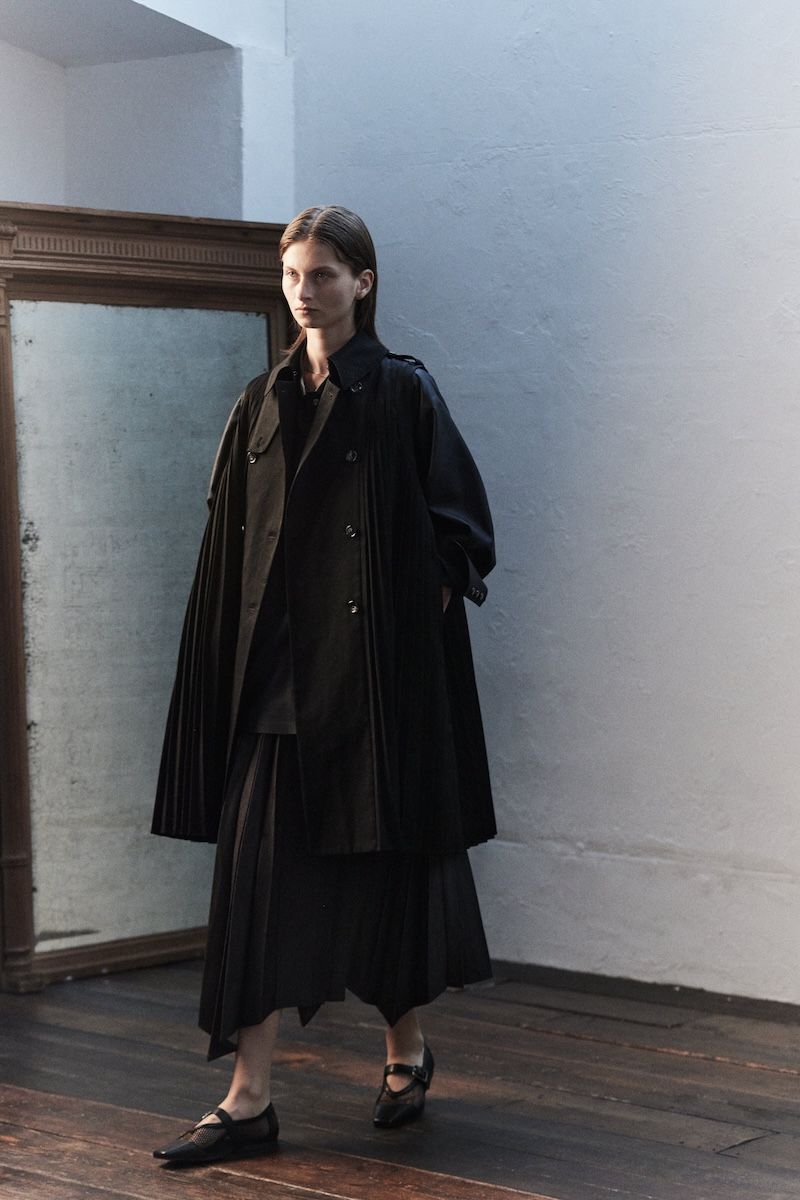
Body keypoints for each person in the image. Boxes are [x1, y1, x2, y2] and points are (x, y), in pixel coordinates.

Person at [151, 205, 496, 1166]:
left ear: (363, 283)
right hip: (276, 684)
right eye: (294, 274)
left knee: (387, 874)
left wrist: (409, 613)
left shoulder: (402, 391)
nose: (306, 292)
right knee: (255, 885)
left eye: (325, 275)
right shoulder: (260, 400)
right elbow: (230, 535)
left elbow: (464, 529)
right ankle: (248, 1098)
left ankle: (406, 1049)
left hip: (372, 689)